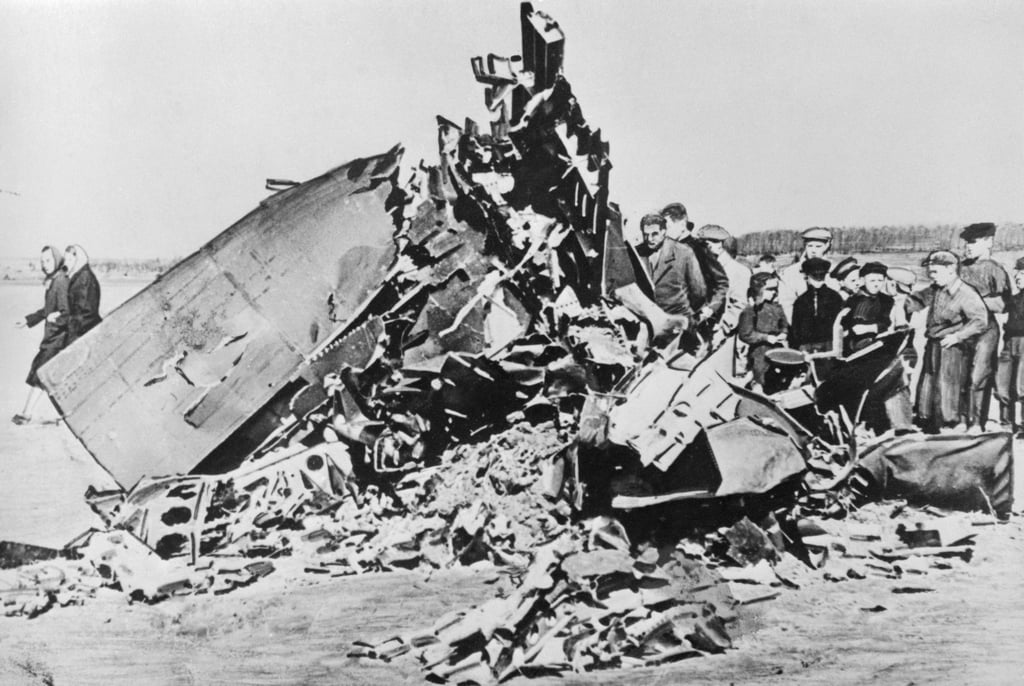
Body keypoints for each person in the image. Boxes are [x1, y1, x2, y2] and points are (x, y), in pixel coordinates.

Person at [907, 250, 988, 433]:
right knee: (928, 382)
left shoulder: (966, 293)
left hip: (953, 347)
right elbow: (916, 300)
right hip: (934, 343)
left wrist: (957, 336)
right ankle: (928, 420)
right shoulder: (936, 289)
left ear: (951, 270)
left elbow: (980, 321)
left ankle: (950, 423)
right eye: (930, 272)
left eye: (935, 272)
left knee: (948, 385)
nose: (931, 276)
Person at [958, 222, 1010, 432]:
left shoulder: (995, 270)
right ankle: (960, 420)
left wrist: (972, 300)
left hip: (986, 330)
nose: (967, 247)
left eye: (973, 242)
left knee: (979, 375)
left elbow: (1003, 305)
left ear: (988, 242)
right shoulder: (960, 267)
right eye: (966, 243)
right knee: (959, 374)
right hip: (961, 328)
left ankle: (976, 422)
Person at [13, 246, 69, 425]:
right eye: (43, 261)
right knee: (46, 377)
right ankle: (62, 415)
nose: (45, 265)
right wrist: (28, 320)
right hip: (54, 337)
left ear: (57, 260)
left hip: (58, 339)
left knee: (41, 374)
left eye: (49, 261)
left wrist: (56, 320)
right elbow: (47, 310)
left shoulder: (60, 281)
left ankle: (26, 414)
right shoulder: (54, 280)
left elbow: (66, 312)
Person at [634, 213, 704, 343]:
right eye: (645, 234)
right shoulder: (636, 253)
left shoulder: (684, 253)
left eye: (654, 234)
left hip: (678, 324)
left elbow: (698, 292)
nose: (649, 239)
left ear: (664, 231)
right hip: (648, 325)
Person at [660, 203, 729, 324]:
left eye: (668, 226)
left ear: (682, 224)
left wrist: (711, 309)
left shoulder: (700, 250)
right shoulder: (667, 250)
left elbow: (722, 283)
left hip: (698, 321)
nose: (664, 232)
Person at [738, 272, 788, 389]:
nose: (774, 292)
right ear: (759, 290)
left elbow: (784, 323)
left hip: (776, 349)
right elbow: (745, 334)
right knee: (761, 381)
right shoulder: (750, 310)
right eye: (770, 289)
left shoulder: (776, 307)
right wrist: (766, 338)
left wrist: (784, 333)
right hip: (759, 352)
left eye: (775, 289)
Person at [697, 224, 750, 330]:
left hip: (722, 332)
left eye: (713, 242)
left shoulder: (738, 271)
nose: (708, 246)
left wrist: (723, 329)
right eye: (703, 243)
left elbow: (740, 306)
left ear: (721, 244)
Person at [778, 227, 837, 320]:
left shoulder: (835, 271)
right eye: (810, 246)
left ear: (827, 246)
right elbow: (787, 304)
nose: (813, 250)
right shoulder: (791, 272)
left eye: (818, 246)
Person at [789, 257, 844, 355]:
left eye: (821, 276)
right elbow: (796, 328)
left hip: (829, 345)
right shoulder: (801, 301)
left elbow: (841, 323)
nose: (818, 280)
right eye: (814, 276)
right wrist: (799, 347)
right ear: (807, 277)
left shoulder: (834, 297)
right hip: (806, 347)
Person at [838, 261, 894, 355]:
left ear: (884, 280)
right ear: (862, 280)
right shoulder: (852, 300)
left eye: (880, 280)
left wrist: (871, 328)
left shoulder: (887, 300)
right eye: (872, 281)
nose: (876, 284)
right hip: (853, 345)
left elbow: (887, 322)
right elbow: (844, 325)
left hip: (879, 340)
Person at [995, 257, 1024, 432]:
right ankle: (1006, 423)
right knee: (1003, 384)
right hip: (1009, 342)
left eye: (1023, 273)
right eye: (1017, 272)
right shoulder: (1014, 298)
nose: (1018, 276)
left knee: (1022, 386)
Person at [64, 244, 102, 345]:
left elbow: (85, 312)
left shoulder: (84, 277)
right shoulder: (80, 276)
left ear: (78, 260)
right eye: (65, 260)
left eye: (70, 260)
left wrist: (68, 325)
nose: (66, 263)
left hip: (83, 333)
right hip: (81, 330)